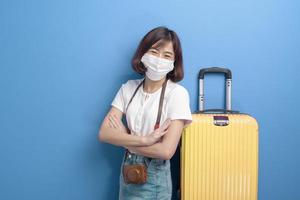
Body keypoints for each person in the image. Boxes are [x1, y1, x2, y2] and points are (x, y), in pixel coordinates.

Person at [98, 26, 193, 200]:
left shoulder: (177, 94)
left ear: (174, 62)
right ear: (143, 54)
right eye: (154, 52)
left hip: (155, 177)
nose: (159, 60)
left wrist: (125, 140)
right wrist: (145, 140)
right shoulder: (128, 88)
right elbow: (105, 133)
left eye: (167, 56)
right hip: (128, 173)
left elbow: (165, 151)